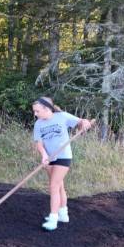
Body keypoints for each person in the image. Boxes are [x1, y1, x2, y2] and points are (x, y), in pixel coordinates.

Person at [32, 97, 92, 231]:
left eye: (37, 111)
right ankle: (63, 214)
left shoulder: (62, 117)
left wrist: (85, 123)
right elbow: (39, 143)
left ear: (47, 109)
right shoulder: (38, 124)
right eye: (34, 112)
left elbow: (81, 121)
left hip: (63, 156)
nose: (35, 114)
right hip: (49, 158)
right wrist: (44, 155)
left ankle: (53, 219)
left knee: (53, 186)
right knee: (59, 186)